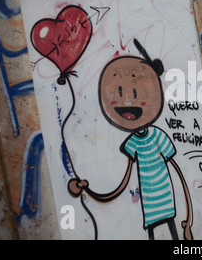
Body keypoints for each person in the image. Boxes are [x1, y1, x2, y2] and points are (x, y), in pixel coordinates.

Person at [68, 39, 193, 240]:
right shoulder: (132, 143)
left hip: (166, 202)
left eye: (136, 93)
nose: (127, 101)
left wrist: (188, 223)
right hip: (149, 205)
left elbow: (178, 172)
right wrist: (89, 191)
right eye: (118, 93)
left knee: (174, 235)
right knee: (152, 233)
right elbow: (124, 182)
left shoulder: (159, 136)